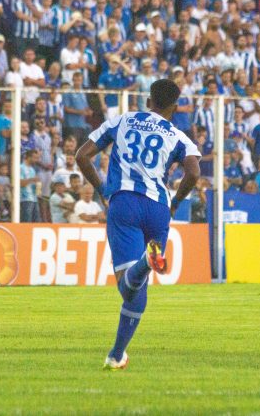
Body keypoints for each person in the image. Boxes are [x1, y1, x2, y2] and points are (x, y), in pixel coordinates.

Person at [75, 79, 201, 370]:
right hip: (158, 208)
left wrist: (102, 190)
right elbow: (194, 172)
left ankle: (145, 262)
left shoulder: (122, 120)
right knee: (138, 292)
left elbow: (82, 155)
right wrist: (176, 202)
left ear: (148, 101)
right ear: (174, 108)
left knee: (128, 288)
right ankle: (116, 355)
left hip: (125, 204)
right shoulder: (177, 135)